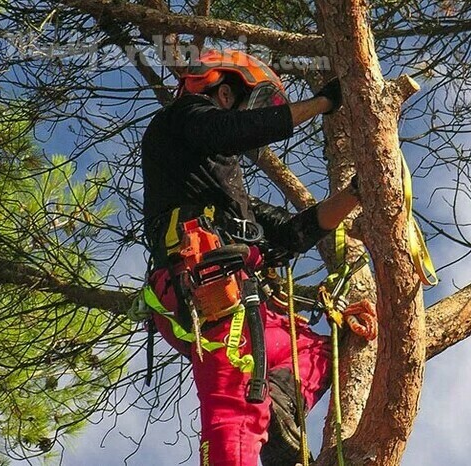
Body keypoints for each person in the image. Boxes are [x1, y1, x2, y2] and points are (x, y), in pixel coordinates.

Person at [141, 49, 360, 466]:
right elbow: (229, 132)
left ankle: (280, 410)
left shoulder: (229, 197)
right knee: (234, 414)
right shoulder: (179, 122)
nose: (258, 123)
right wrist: (324, 103)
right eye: (257, 104)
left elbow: (289, 234)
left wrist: (354, 195)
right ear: (224, 94)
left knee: (317, 350)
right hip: (203, 287)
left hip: (248, 301)